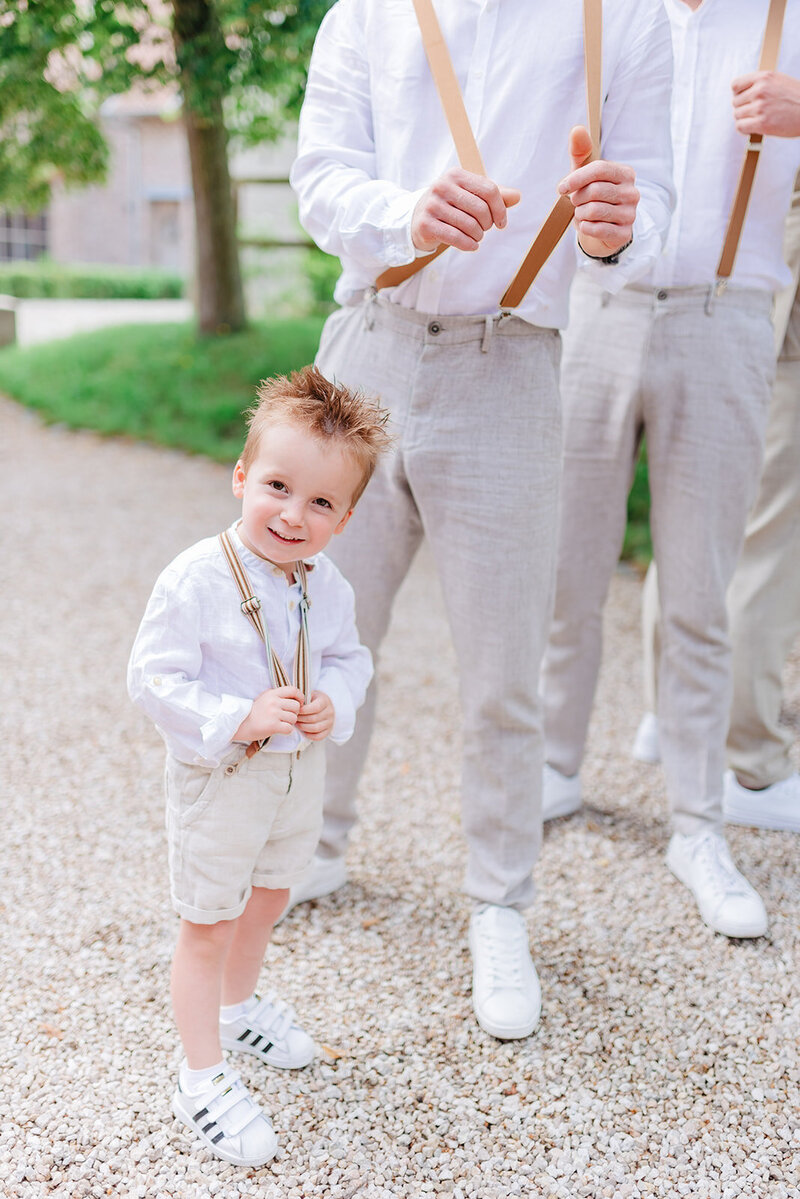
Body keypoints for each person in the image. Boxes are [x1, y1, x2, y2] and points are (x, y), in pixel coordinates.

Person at [288, 0, 675, 1041]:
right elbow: (319, 177)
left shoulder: (623, 20)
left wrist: (616, 230)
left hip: (511, 363)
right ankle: (308, 844)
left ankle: (498, 901)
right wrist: (404, 212)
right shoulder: (364, 12)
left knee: (503, 663)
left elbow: (656, 210)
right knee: (321, 627)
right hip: (365, 342)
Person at [540, 0, 800, 939]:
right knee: (567, 566)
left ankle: (699, 824)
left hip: (727, 317)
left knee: (701, 593)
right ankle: (554, 767)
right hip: (596, 308)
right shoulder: (599, 15)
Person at [127, 367, 389, 1167]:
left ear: (343, 519)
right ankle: (200, 1075)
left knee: (270, 894)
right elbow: (152, 677)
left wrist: (331, 703)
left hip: (294, 773)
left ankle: (239, 1010)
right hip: (225, 775)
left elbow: (351, 657)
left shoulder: (327, 584)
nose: (292, 514)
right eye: (277, 485)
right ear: (242, 476)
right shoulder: (197, 577)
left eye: (320, 503)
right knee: (207, 920)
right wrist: (238, 716)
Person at [633, 178, 800, 834]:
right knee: (766, 528)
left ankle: (668, 710)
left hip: (712, 264)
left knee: (701, 509)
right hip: (766, 279)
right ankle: (747, 759)